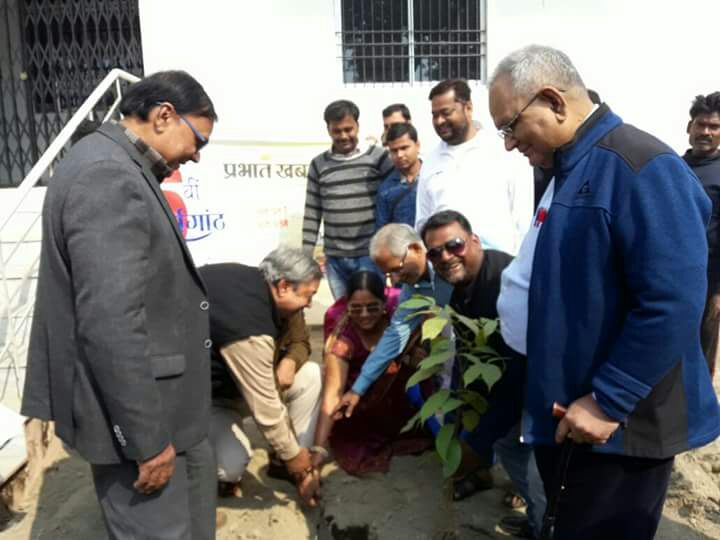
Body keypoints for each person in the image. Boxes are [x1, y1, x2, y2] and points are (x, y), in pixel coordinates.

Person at [488, 44, 720, 539]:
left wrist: (609, 399)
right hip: (573, 413)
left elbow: (673, 301)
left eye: (510, 126)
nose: (508, 143)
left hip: (619, 426)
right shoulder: (568, 166)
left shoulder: (640, 166)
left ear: (552, 100)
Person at [21, 70, 218, 539]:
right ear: (164, 116)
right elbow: (109, 323)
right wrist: (147, 442)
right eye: (199, 141)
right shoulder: (108, 176)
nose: (195, 156)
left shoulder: (116, 164)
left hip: (168, 410)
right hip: (144, 425)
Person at [421, 210, 546, 539]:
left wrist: (476, 445)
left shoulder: (506, 284)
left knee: (540, 473)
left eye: (454, 245)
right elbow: (466, 354)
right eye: (435, 253)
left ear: (474, 240)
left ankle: (546, 524)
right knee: (508, 447)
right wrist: (460, 416)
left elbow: (516, 372)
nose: (445, 257)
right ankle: (537, 519)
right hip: (506, 385)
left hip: (542, 388)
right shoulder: (456, 285)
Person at [198, 247, 323, 506]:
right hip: (213, 399)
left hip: (250, 388)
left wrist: (289, 361)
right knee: (230, 468)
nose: (310, 304)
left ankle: (281, 462)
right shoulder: (246, 322)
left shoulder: (271, 292)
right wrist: (297, 462)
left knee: (310, 374)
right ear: (284, 286)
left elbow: (301, 340)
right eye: (308, 296)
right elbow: (265, 406)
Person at [311, 270, 431, 475]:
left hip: (400, 398)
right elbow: (332, 395)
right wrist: (319, 450)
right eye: (356, 309)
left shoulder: (401, 316)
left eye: (372, 307)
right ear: (347, 307)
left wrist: (420, 353)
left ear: (385, 304)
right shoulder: (343, 338)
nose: (364, 315)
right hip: (362, 406)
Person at [415, 79, 532, 255]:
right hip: (447, 268)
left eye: (446, 112)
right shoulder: (430, 162)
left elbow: (523, 215)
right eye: (434, 115)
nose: (439, 121)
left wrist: (520, 262)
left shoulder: (503, 150)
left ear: (468, 108)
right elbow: (422, 221)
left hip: (499, 264)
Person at [302, 99, 394, 299]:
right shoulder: (318, 165)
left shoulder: (378, 158)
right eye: (337, 131)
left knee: (372, 312)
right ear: (328, 130)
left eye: (348, 129)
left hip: (369, 254)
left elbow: (393, 202)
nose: (343, 136)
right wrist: (306, 257)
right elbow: (312, 211)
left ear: (357, 126)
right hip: (335, 259)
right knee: (343, 315)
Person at [683, 92, 720, 377]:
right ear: (689, 127)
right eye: (701, 124)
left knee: (701, 351)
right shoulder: (671, 165)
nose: (705, 132)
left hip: (708, 280)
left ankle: (699, 416)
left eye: (714, 127)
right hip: (667, 274)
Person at [375, 122, 422, 231]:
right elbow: (382, 231)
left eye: (404, 148)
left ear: (417, 145)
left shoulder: (433, 176)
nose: (399, 155)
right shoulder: (386, 190)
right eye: (394, 150)